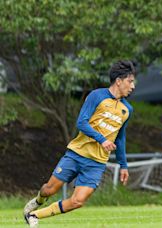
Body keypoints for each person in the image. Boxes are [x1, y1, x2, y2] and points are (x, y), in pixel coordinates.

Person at [23, 60, 136, 227]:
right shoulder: (97, 96)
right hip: (77, 154)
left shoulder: (127, 109)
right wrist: (102, 139)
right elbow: (81, 123)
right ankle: (38, 200)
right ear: (119, 81)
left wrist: (123, 165)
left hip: (97, 163)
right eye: (130, 81)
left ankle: (34, 215)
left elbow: (120, 138)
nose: (133, 86)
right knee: (49, 190)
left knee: (78, 201)